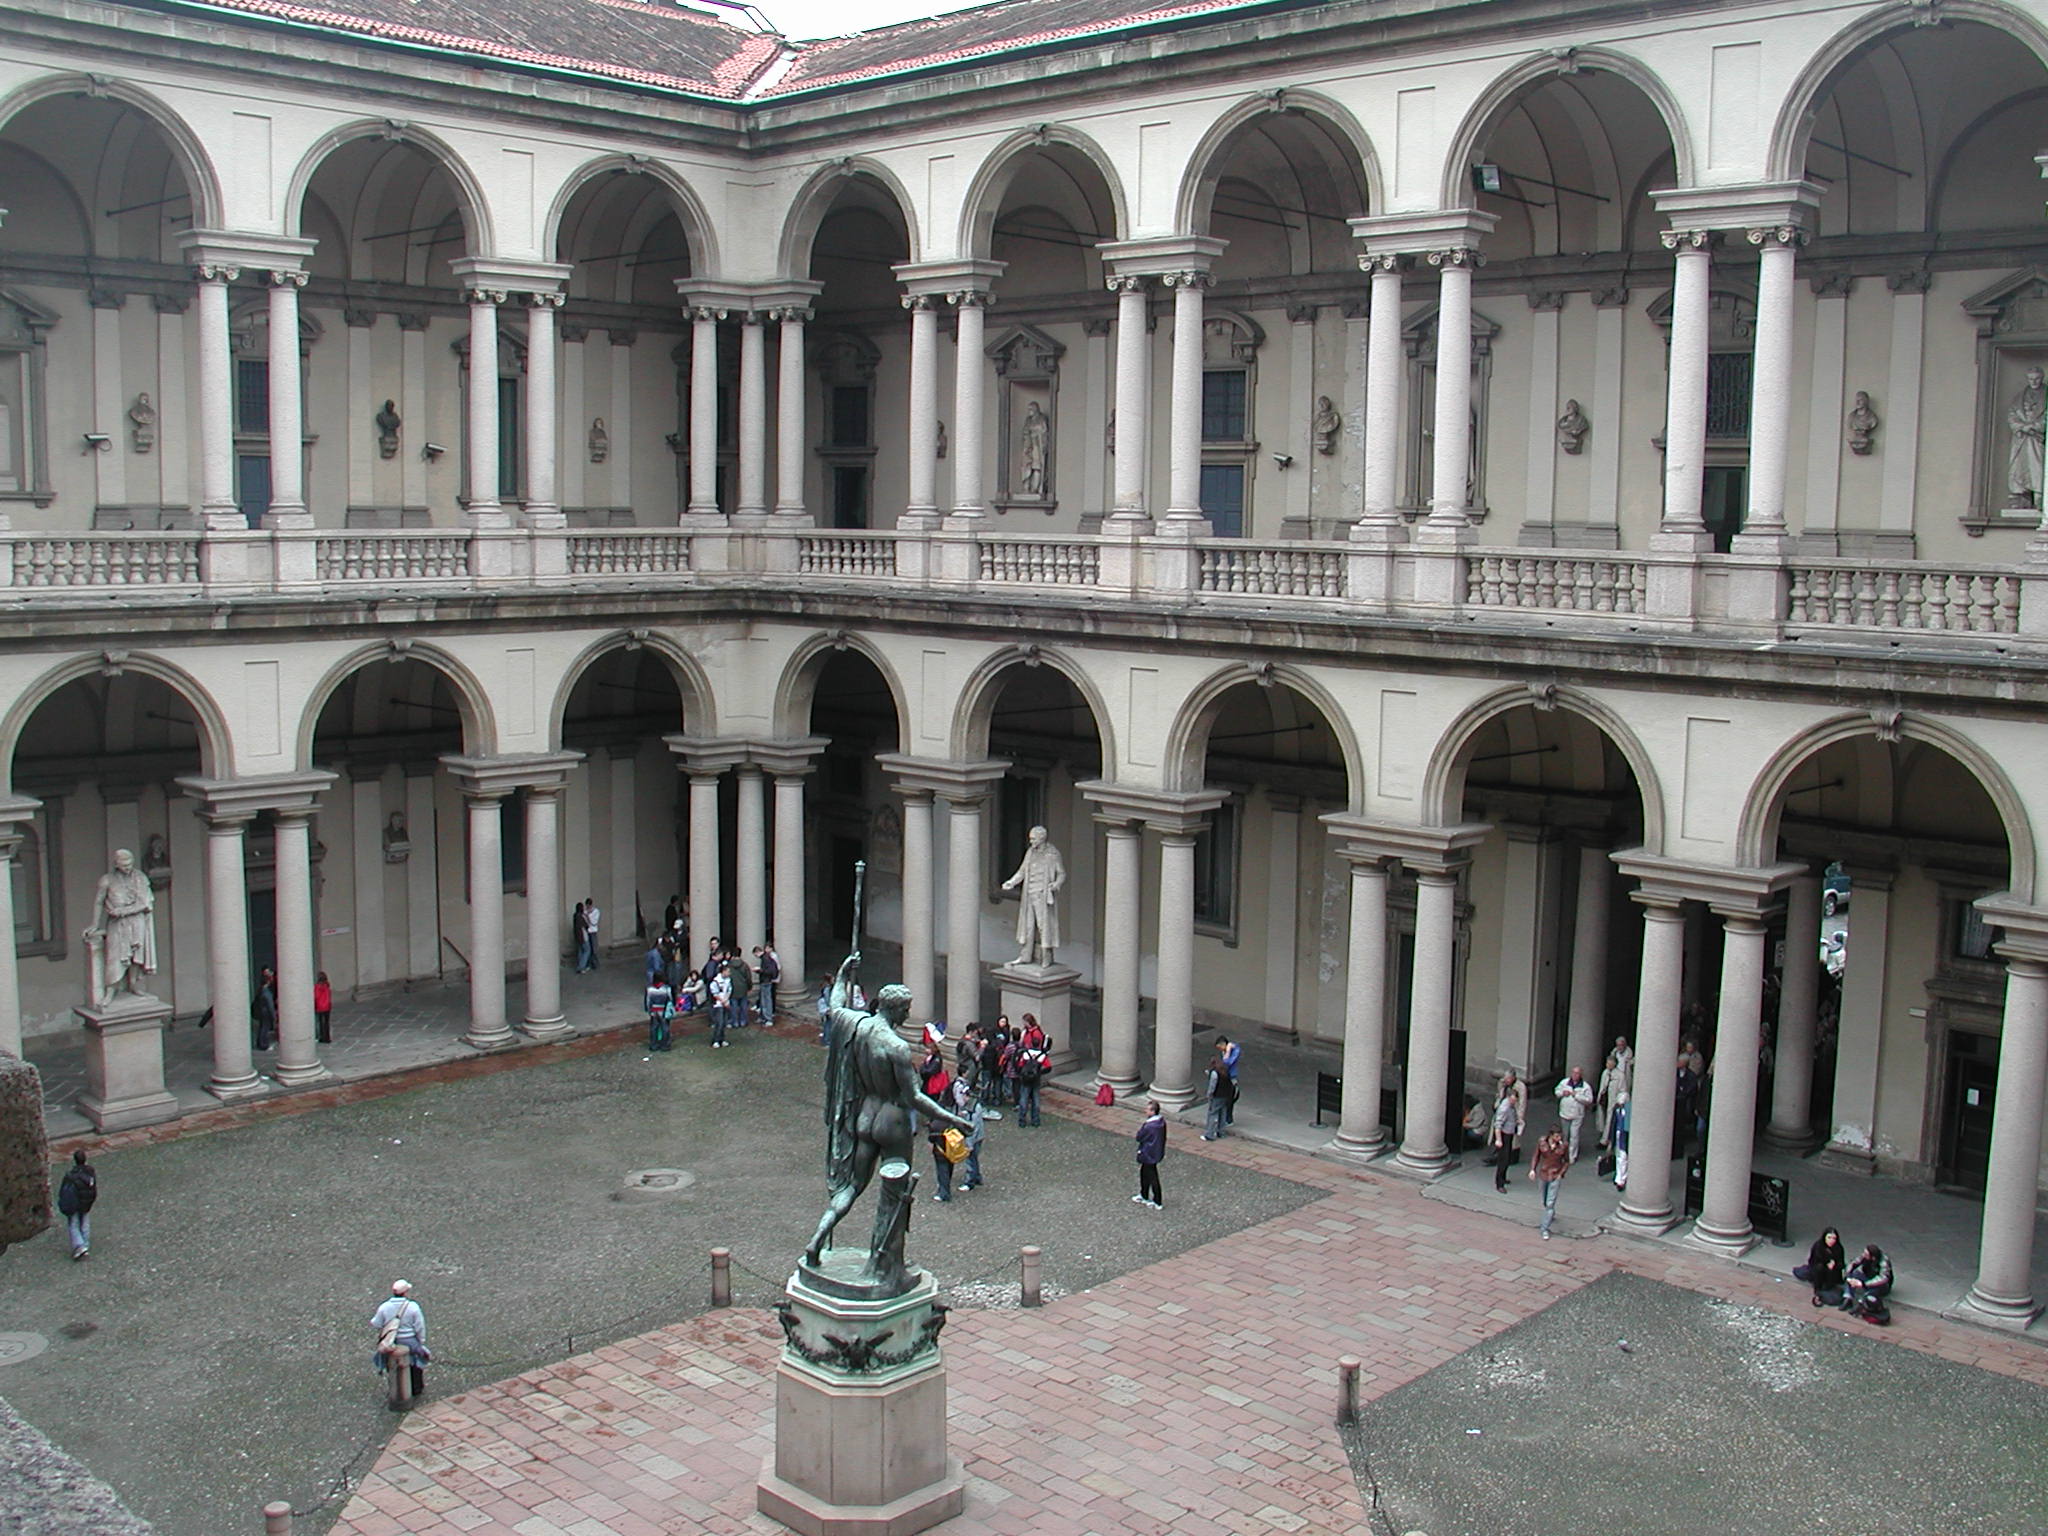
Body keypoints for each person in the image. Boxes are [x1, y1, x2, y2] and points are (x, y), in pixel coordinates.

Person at [801, 953, 970, 1280]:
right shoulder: (896, 1047)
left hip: (865, 1116)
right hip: (892, 1122)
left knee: (851, 1186)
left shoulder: (858, 1024)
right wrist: (954, 1118)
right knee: (894, 1193)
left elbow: (836, 1006)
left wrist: (841, 972)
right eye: (906, 1009)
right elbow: (914, 1098)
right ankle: (886, 1263)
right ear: (895, 1009)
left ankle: (816, 1239)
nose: (909, 1014)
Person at [86, 847, 157, 1005]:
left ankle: (133, 984)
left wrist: (122, 911)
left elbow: (146, 903)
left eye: (130, 864)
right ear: (116, 864)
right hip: (117, 925)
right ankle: (111, 990)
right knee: (115, 957)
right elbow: (99, 902)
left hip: (137, 922)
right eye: (124, 865)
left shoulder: (140, 877)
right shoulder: (107, 880)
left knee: (136, 955)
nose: (128, 868)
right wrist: (94, 924)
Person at [1000, 825, 1066, 965]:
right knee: (1028, 926)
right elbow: (1022, 871)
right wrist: (1011, 882)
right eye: (1031, 839)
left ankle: (1046, 956)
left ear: (1042, 838)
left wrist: (1056, 884)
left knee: (1043, 926)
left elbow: (1061, 873)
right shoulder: (1030, 852)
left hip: (1042, 895)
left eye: (1033, 839)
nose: (1031, 842)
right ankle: (1025, 955)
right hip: (1029, 894)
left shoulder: (1052, 854)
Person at [371, 1280, 429, 1404]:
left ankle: (394, 1386)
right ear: (406, 1292)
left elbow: (376, 1323)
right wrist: (421, 1342)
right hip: (410, 1339)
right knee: (419, 1358)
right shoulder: (413, 1307)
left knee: (388, 1361)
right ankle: (416, 1387)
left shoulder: (385, 1306)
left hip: (392, 1340)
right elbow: (419, 1326)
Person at [1529, 1126, 1569, 1239]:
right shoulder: (1542, 1142)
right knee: (1545, 1200)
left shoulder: (1563, 1146)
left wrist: (1561, 1173)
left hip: (1555, 1175)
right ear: (1551, 1135)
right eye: (1556, 1136)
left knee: (1550, 1203)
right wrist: (1532, 1169)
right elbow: (1536, 1156)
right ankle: (1549, 1214)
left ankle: (1544, 1228)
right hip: (1543, 1174)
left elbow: (1566, 1161)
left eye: (1560, 1136)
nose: (1559, 1138)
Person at [56, 1147, 97, 1260]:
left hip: (74, 1203)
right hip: (86, 1202)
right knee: (85, 1222)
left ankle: (80, 1246)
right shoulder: (90, 1172)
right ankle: (85, 1244)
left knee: (73, 1224)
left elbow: (63, 1191)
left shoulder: (70, 1175)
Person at [1794, 1227, 1849, 1307]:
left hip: (1833, 1273)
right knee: (1818, 1268)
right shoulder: (1818, 1246)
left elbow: (1841, 1264)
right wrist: (1825, 1264)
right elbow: (1813, 1261)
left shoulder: (1838, 1248)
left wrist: (1835, 1265)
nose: (1831, 1240)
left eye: (1834, 1238)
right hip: (1818, 1270)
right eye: (1829, 1238)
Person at [1843, 1244, 1894, 1323]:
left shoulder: (1883, 1261)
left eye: (1866, 1254)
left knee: (1875, 1289)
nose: (1863, 1255)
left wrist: (1863, 1284)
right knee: (1855, 1274)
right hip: (1868, 1277)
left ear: (1873, 1257)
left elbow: (1883, 1278)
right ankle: (1848, 1297)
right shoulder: (1865, 1256)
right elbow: (1853, 1263)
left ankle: (1862, 1303)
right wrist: (1848, 1276)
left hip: (1881, 1285)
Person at [1555, 1066, 1594, 1162]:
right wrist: (1562, 1093)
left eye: (1577, 1073)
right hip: (1564, 1113)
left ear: (1580, 1075)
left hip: (1577, 1114)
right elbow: (1556, 1091)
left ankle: (1572, 1155)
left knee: (1574, 1135)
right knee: (1565, 1135)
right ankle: (1563, 1154)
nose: (1575, 1075)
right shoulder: (1564, 1082)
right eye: (1573, 1073)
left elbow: (1589, 1100)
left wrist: (1576, 1096)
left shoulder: (1585, 1086)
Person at [1491, 1076, 1522, 1194]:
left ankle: (1503, 1178)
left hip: (1509, 1133)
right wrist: (1498, 1140)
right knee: (1503, 1160)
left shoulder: (1511, 1106)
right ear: (1509, 1097)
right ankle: (1499, 1183)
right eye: (1514, 1098)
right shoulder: (1504, 1108)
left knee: (1507, 1157)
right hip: (1504, 1135)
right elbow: (1498, 1125)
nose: (1515, 1101)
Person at [1134, 1100, 1166, 1209]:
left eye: (1147, 1109)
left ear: (1152, 1111)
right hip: (1155, 1152)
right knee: (1145, 1173)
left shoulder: (1149, 1126)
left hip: (1148, 1153)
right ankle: (1144, 1194)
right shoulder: (1161, 1123)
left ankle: (1157, 1201)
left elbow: (1139, 1137)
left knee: (1152, 1177)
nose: (1145, 1111)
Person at [1597, 1048, 1631, 1147]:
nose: (1608, 1065)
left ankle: (1606, 1141)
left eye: (1610, 1063)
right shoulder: (1605, 1073)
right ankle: (1602, 1136)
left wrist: (1619, 1101)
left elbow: (1623, 1090)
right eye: (1607, 1063)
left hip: (1613, 1101)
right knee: (1602, 1119)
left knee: (1610, 1120)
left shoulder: (1620, 1075)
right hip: (1604, 1099)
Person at [957, 1079, 987, 1192]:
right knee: (974, 1159)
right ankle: (977, 1177)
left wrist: (969, 1144)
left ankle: (969, 1182)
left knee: (970, 1160)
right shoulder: (974, 1106)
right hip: (978, 1137)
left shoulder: (972, 1110)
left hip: (974, 1139)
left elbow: (973, 1128)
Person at [1015, 1033, 1049, 1127]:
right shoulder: (1042, 1055)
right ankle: (1035, 1120)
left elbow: (1020, 1065)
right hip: (1036, 1079)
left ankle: (1022, 1120)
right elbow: (1048, 1067)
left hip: (1025, 1079)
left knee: (1024, 1099)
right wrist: (1039, 1072)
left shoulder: (1025, 1053)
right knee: (1036, 1100)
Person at [645, 976, 674, 1051]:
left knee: (654, 1028)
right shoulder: (666, 988)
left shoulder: (650, 989)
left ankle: (653, 1045)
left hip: (654, 1011)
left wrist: (650, 1011)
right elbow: (670, 998)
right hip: (663, 1010)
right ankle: (664, 1045)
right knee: (665, 1028)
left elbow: (648, 1001)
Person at [1609, 1091, 1631, 1190]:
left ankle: (1622, 1179)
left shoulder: (1629, 1111)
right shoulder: (1616, 1110)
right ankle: (1619, 1176)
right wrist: (1610, 1139)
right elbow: (1613, 1124)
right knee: (1619, 1158)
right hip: (1618, 1135)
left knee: (1623, 1158)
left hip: (1625, 1136)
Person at [252, 967, 278, 1052]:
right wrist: (274, 1015)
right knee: (265, 1028)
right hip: (265, 1012)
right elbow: (270, 1005)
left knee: (262, 1027)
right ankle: (264, 1045)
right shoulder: (266, 992)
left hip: (262, 1011)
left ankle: (260, 1043)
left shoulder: (261, 990)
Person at [728, 946, 754, 1028]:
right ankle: (743, 1021)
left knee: (734, 1006)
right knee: (743, 1005)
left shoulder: (729, 965)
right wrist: (749, 986)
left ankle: (735, 1022)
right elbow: (748, 977)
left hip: (733, 987)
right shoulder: (745, 965)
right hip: (743, 987)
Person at [708, 965, 733, 1048]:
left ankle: (722, 1039)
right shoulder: (716, 981)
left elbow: (729, 990)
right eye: (728, 971)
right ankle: (716, 1040)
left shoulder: (728, 980)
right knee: (719, 1022)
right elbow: (715, 993)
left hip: (725, 1002)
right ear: (723, 971)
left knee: (724, 1022)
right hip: (718, 1004)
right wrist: (723, 1001)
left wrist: (726, 1000)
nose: (729, 973)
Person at [1219, 1034, 1242, 1125]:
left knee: (1230, 1099)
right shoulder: (1224, 1051)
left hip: (1231, 1077)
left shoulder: (1235, 1050)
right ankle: (1224, 1117)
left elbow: (1227, 1062)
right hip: (1225, 1076)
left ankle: (1228, 1118)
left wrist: (1228, 1052)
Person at [756, 944, 780, 1023]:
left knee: (766, 1000)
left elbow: (768, 971)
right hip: (767, 980)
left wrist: (760, 970)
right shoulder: (767, 957)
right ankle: (764, 1016)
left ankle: (767, 1017)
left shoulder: (765, 958)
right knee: (765, 999)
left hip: (766, 981)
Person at [314, 971, 334, 1045]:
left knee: (320, 1022)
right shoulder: (327, 986)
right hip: (327, 1006)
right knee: (326, 1023)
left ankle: (321, 1037)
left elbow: (316, 996)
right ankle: (327, 1038)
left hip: (319, 1006)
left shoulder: (317, 987)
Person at [582, 898, 602, 969]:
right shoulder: (585, 912)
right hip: (587, 931)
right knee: (588, 949)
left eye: (588, 906)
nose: (587, 908)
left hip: (593, 931)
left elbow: (594, 923)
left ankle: (595, 963)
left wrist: (588, 916)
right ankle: (589, 964)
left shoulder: (596, 911)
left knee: (594, 948)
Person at [571, 901, 590, 973]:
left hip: (577, 937)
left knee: (580, 951)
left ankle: (580, 965)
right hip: (583, 936)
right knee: (587, 951)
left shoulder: (575, 916)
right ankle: (581, 967)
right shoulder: (581, 917)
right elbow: (586, 926)